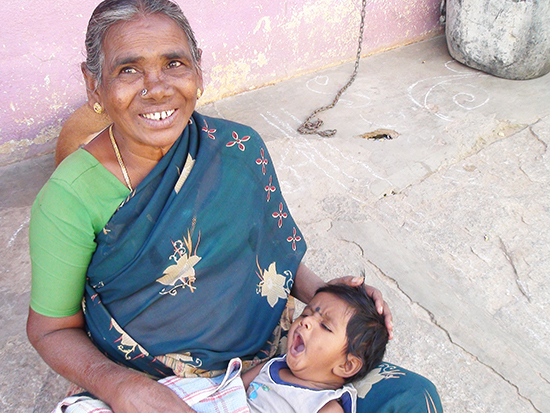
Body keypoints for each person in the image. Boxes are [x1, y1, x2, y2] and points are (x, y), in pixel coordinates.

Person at [27, 1, 398, 413]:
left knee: (408, 398)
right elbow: (50, 330)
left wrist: (334, 303)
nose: (157, 87)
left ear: (198, 70)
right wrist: (120, 386)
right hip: (153, 383)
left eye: (174, 63)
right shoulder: (68, 199)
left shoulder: (239, 149)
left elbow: (271, 257)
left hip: (271, 365)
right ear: (94, 84)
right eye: (128, 70)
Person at [241, 284, 389, 413]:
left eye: (325, 326)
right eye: (305, 313)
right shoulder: (273, 367)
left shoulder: (325, 407)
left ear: (346, 365)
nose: (306, 320)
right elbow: (232, 389)